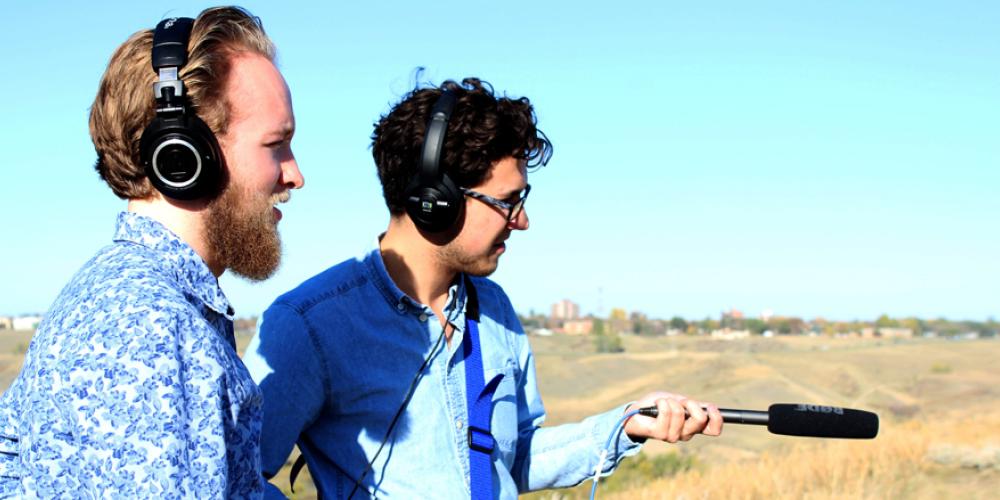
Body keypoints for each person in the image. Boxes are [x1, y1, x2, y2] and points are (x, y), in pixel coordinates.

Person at [243, 78, 721, 499]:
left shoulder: (494, 309)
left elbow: (513, 459)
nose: (523, 221)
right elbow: (239, 479)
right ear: (435, 200)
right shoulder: (308, 325)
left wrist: (624, 425)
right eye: (508, 201)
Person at [0, 7, 304, 498]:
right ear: (182, 156)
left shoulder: (132, 299)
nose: (294, 175)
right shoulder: (150, 332)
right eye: (276, 144)